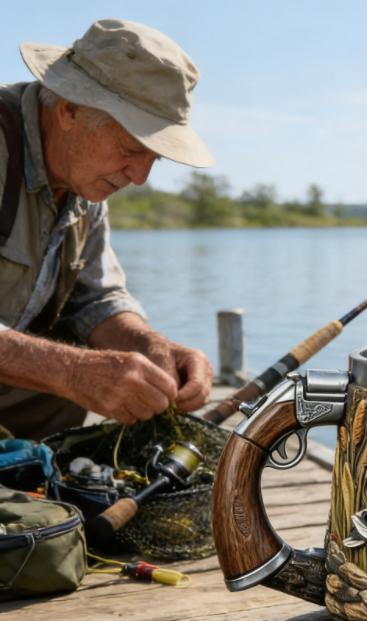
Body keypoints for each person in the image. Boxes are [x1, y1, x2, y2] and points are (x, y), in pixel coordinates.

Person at [0, 19, 214, 439]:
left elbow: (97, 298)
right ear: (69, 110)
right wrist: (70, 370)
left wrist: (150, 346)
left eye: (156, 158)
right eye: (132, 149)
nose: (139, 177)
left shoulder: (83, 176)